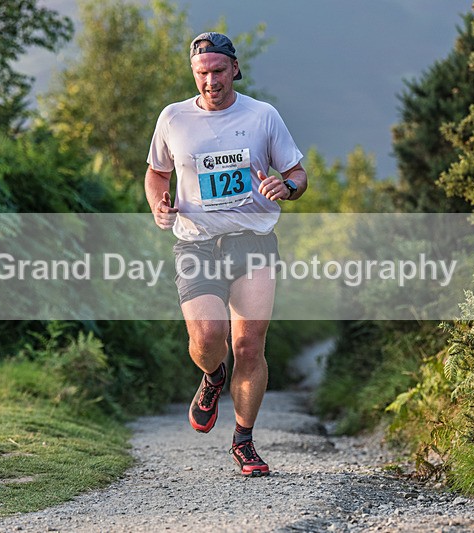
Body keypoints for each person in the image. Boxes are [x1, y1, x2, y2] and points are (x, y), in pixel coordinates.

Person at [144, 31, 307, 477]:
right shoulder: (173, 118)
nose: (211, 81)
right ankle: (213, 375)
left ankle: (243, 440)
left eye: (218, 71)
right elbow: (157, 173)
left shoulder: (262, 115)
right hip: (196, 244)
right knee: (207, 338)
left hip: (253, 243)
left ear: (234, 68)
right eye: (202, 73)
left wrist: (287, 186)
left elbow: (297, 172)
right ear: (193, 73)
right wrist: (158, 204)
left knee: (249, 346)